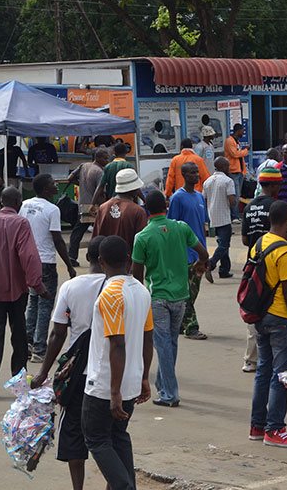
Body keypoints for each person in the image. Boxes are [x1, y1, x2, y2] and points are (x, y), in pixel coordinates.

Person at [30, 236, 106, 490]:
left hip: (78, 374)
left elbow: (57, 333)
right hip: (110, 373)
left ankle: (78, 488)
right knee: (109, 435)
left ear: (88, 258)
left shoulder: (71, 287)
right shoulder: (120, 287)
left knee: (74, 433)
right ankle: (115, 482)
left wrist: (43, 371)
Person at [82, 235, 153, 490]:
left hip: (105, 384)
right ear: (128, 260)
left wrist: (114, 392)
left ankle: (125, 486)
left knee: (97, 439)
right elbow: (148, 337)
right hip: (131, 380)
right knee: (118, 436)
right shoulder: (141, 291)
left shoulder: (111, 293)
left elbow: (117, 344)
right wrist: (144, 377)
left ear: (101, 262)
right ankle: (126, 485)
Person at [132, 191, 208, 407]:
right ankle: (163, 384)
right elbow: (203, 252)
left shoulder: (143, 237)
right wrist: (198, 266)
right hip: (181, 296)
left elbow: (137, 274)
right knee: (170, 342)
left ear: (146, 209)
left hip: (158, 297)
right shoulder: (181, 227)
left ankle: (170, 393)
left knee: (164, 344)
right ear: (166, 206)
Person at [249, 200, 287, 447]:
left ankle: (257, 425)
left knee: (263, 372)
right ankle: (275, 429)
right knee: (282, 375)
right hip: (281, 318)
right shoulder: (285, 252)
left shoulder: (260, 243)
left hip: (260, 316)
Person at [0, 187, 46, 398]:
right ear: (18, 201)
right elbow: (29, 256)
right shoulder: (21, 223)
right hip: (16, 290)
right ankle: (18, 379)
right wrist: (37, 284)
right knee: (19, 333)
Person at [20, 173, 77, 364]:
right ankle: (39, 349)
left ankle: (26, 344)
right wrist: (69, 264)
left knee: (33, 302)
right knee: (45, 305)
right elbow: (58, 240)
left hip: (28, 261)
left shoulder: (25, 204)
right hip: (45, 262)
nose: (56, 186)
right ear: (45, 189)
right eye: (53, 184)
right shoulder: (52, 209)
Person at [241, 168, 285, 372]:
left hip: (252, 262)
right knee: (276, 308)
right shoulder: (276, 206)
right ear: (274, 185)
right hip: (273, 263)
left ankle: (250, 360)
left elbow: (243, 239)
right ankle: (274, 357)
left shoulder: (249, 207)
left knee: (253, 310)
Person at [168, 162, 210, 340]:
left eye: (197, 172)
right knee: (187, 292)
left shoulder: (200, 197)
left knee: (193, 292)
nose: (196, 175)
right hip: (185, 254)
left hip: (200, 253)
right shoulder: (177, 198)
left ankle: (178, 323)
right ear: (184, 175)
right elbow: (172, 226)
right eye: (192, 173)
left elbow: (203, 225)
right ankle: (191, 327)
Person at [92, 169, 148, 262]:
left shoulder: (103, 208)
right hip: (128, 266)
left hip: (105, 266)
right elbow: (141, 245)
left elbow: (96, 239)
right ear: (134, 189)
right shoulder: (138, 211)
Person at [68, 148, 109, 266]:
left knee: (78, 231)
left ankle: (72, 256)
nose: (107, 161)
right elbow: (101, 190)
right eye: (105, 158)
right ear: (98, 158)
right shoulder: (100, 172)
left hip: (81, 203)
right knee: (98, 231)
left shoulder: (83, 165)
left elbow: (70, 178)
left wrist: (80, 184)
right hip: (94, 206)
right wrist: (96, 205)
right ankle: (94, 256)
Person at [202, 157, 237, 284]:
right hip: (224, 217)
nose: (229, 169)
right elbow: (232, 201)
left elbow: (204, 199)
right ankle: (211, 264)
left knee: (222, 243)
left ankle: (224, 270)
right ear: (222, 167)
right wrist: (233, 203)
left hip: (213, 217)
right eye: (227, 166)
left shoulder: (207, 181)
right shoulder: (228, 181)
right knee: (224, 245)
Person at [225, 123, 248, 222]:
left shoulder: (236, 141)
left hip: (239, 171)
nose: (243, 132)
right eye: (242, 130)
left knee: (238, 195)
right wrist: (246, 150)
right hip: (233, 171)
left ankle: (236, 215)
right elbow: (235, 154)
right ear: (238, 131)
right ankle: (234, 216)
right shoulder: (229, 141)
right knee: (234, 194)